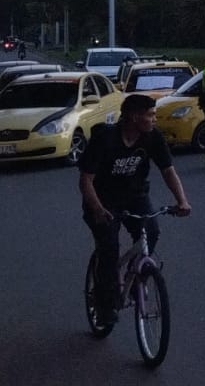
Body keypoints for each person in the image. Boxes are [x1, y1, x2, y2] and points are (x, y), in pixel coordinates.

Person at [78, 92, 192, 326]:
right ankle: (104, 303)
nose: (154, 119)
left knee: (151, 231)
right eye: (150, 115)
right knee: (109, 248)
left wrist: (182, 201)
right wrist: (97, 209)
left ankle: (135, 274)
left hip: (135, 196)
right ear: (133, 117)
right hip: (102, 201)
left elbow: (168, 170)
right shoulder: (105, 139)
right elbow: (86, 180)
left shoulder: (153, 137)